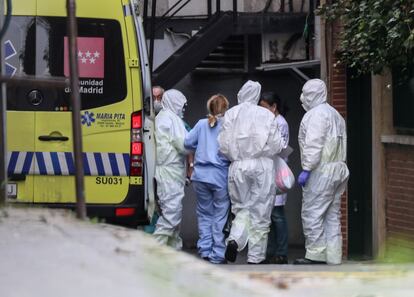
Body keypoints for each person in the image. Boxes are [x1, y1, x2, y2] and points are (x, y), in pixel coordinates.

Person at [218, 80, 285, 264]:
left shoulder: (231, 114)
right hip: (262, 165)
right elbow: (277, 144)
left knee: (242, 209)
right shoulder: (266, 115)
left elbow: (223, 145)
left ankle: (235, 239)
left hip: (238, 165)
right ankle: (255, 257)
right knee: (261, 212)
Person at [294, 79, 349, 265]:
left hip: (321, 171)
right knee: (332, 214)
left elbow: (313, 144)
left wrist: (307, 168)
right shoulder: (335, 114)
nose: (303, 97)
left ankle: (316, 255)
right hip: (338, 169)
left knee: (313, 213)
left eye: (305, 93)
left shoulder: (315, 115)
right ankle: (334, 256)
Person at [184, 94, 231, 264]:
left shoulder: (201, 124)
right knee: (220, 215)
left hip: (200, 176)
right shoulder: (228, 124)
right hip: (220, 176)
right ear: (225, 108)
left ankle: (204, 249)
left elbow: (187, 142)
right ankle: (218, 253)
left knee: (204, 213)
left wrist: (202, 146)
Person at [153, 89, 188, 249]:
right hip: (170, 173)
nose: (183, 109)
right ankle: (153, 250)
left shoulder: (163, 117)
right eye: (182, 105)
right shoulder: (171, 119)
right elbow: (183, 145)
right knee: (171, 216)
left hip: (168, 172)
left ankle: (173, 251)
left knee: (173, 215)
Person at [259, 92, 290, 265]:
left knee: (277, 215)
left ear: (273, 107)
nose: (262, 111)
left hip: (277, 171)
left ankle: (281, 252)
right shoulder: (269, 121)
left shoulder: (281, 124)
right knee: (268, 215)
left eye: (264, 107)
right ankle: (270, 252)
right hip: (267, 170)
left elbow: (282, 149)